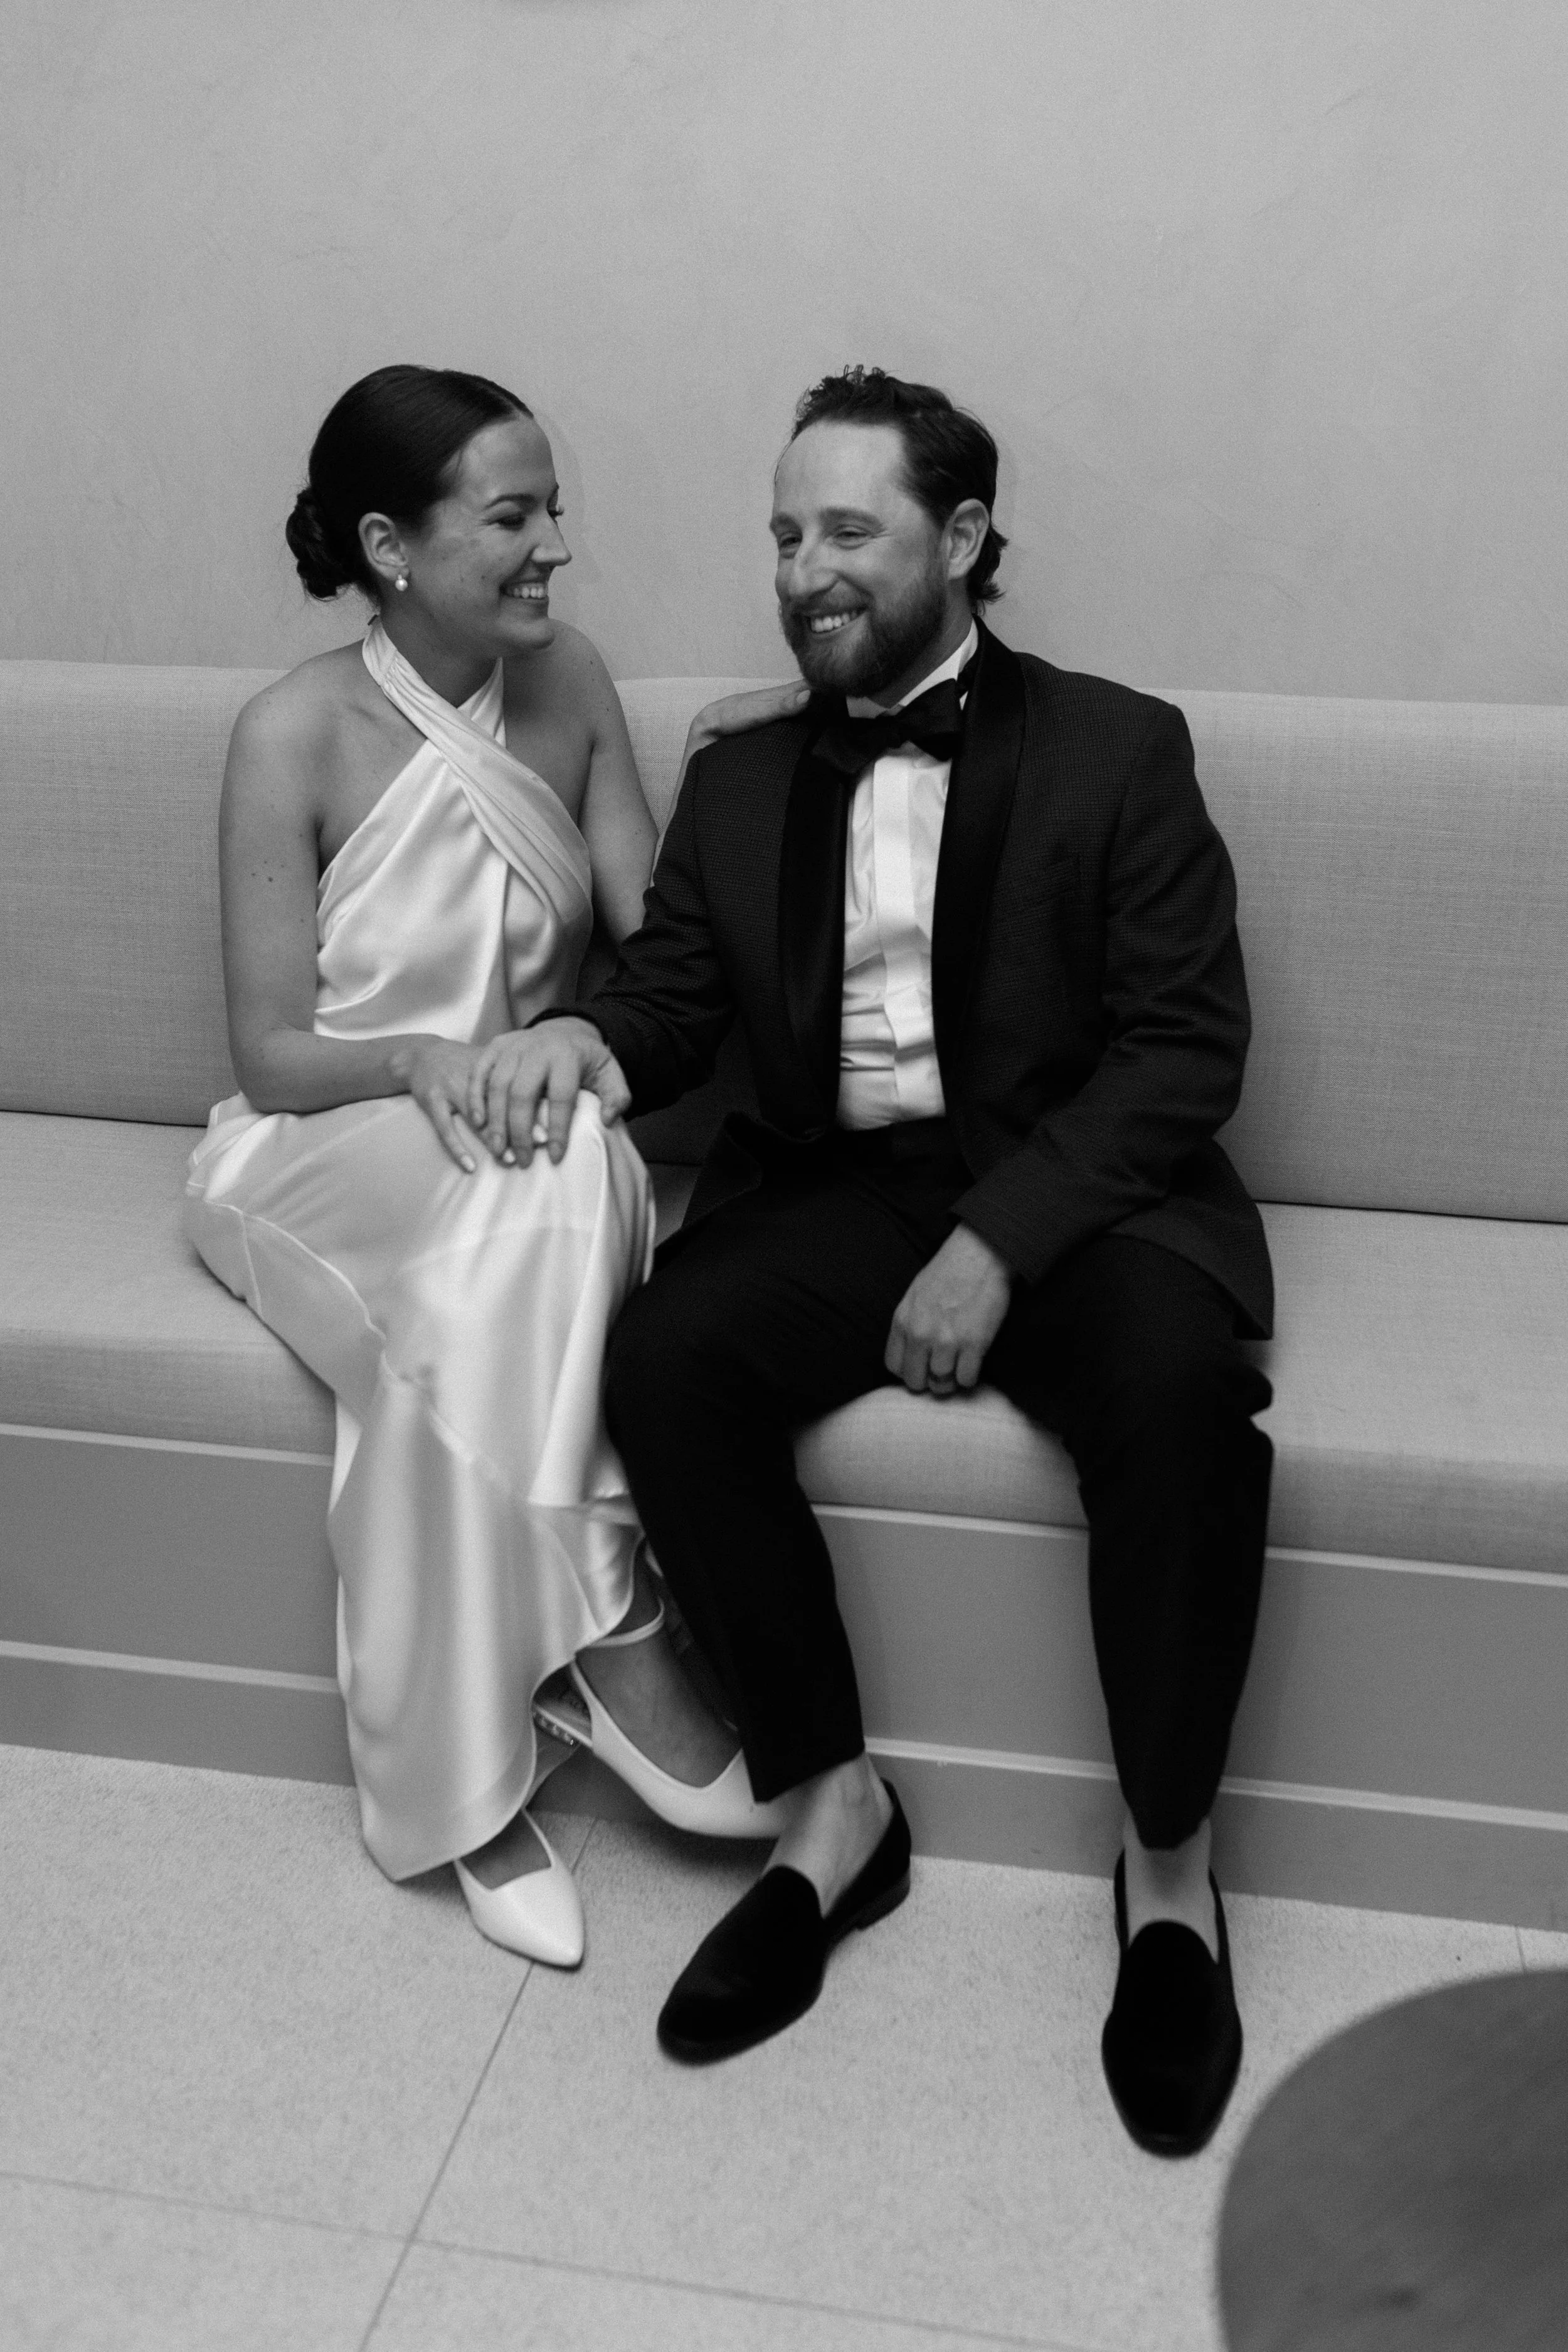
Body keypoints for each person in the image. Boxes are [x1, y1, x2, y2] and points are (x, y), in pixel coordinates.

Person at [482, 364, 1276, 2155]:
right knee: (668, 1354)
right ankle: (832, 1808)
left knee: (1175, 1396)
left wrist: (998, 1243)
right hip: (835, 1187)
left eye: (848, 529)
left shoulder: (1117, 747)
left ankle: (1165, 1872)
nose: (804, 568)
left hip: (1074, 1188)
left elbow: (1179, 1049)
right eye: (783, 531)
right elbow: (675, 995)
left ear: (963, 539)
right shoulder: (744, 768)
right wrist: (581, 1045)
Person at [184, 364, 803, 1969]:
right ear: (390, 546)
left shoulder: (571, 683)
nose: (553, 550)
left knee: (566, 1161)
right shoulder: (292, 733)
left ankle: (465, 1779)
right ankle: (615, 1625)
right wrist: (423, 1058)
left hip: (527, 1131)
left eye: (553, 513)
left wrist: (779, 755)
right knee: (544, 1180)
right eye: (512, 516)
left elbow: (670, 954)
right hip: (320, 1144)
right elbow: (268, 1052)